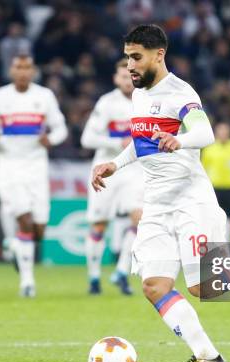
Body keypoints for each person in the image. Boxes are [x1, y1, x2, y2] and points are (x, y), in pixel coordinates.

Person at [92, 24, 230, 362]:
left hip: (190, 198)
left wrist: (180, 140)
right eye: (126, 58)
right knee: (154, 285)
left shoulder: (180, 92)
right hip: (155, 201)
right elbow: (140, 141)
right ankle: (208, 358)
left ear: (159, 54)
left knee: (205, 288)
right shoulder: (139, 95)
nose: (130, 66)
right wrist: (115, 163)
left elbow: (205, 133)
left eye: (136, 57)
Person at [0, 54, 68, 298]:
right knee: (24, 221)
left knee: (38, 230)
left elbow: (61, 128)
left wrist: (52, 139)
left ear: (33, 71)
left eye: (27, 68)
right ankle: (27, 282)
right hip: (10, 167)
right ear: (11, 70)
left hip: (37, 168)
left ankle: (16, 245)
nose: (23, 72)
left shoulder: (44, 96)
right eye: (19, 67)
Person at [81, 59, 143, 296]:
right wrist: (117, 142)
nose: (127, 80)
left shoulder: (147, 101)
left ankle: (121, 271)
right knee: (99, 224)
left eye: (131, 75)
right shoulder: (106, 103)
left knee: (140, 219)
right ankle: (94, 278)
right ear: (116, 79)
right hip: (106, 170)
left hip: (134, 170)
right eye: (123, 76)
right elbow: (87, 139)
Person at [201, 122, 230, 246]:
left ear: (229, 133)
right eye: (221, 131)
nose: (223, 134)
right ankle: (210, 252)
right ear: (216, 133)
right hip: (214, 190)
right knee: (211, 222)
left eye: (225, 131)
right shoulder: (209, 149)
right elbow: (203, 170)